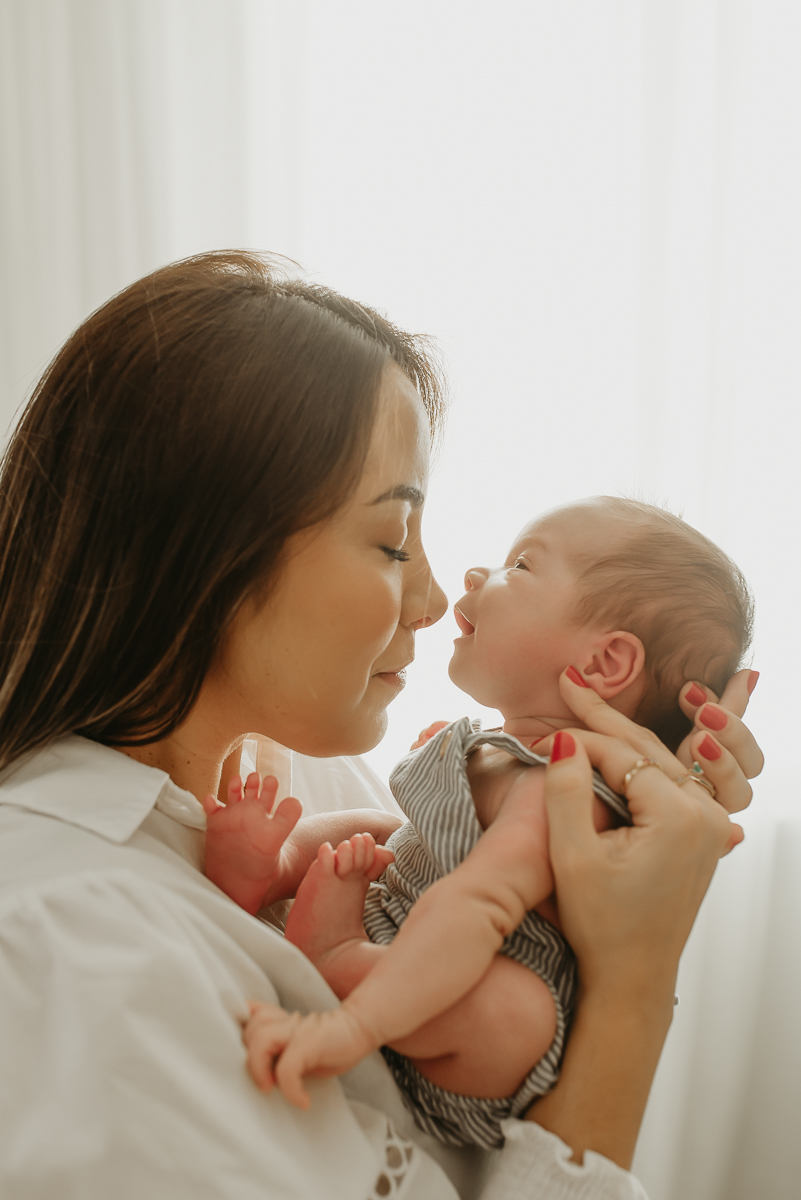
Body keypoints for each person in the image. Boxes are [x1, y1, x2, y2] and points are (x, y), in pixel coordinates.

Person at [0, 250, 762, 1200]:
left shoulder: (318, 785)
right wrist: (634, 982)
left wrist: (639, 843)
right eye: (392, 542)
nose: (438, 596)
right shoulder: (76, 944)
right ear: (208, 552)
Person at [224, 499, 754, 1147]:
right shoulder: (493, 749)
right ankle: (277, 870)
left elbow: (476, 903)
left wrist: (352, 1026)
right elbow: (429, 851)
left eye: (521, 565)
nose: (475, 575)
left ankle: (332, 957)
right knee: (375, 832)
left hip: (451, 1036)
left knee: (515, 1013)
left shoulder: (558, 785)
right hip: (405, 935)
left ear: (603, 664)